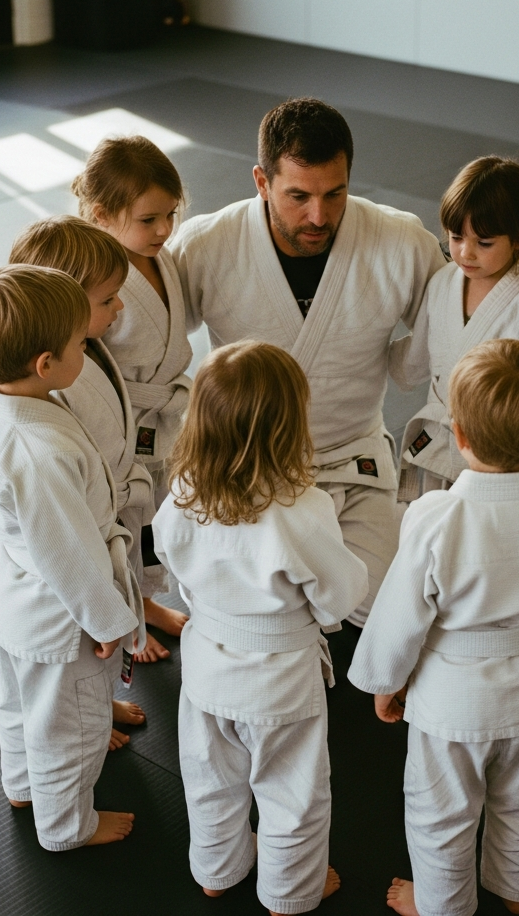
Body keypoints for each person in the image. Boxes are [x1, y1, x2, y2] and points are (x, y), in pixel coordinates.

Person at [348, 340, 519, 916]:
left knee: (442, 810)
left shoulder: (436, 516)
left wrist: (386, 681)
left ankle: (442, 905)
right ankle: (517, 893)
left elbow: (400, 615)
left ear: (458, 436)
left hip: (452, 700)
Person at [172, 98, 445, 625]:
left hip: (350, 457)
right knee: (245, 608)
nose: (319, 215)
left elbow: (460, 326)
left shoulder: (400, 242)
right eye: (298, 196)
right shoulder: (208, 244)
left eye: (335, 193)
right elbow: (149, 336)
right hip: (242, 464)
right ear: (261, 180)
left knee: (387, 607)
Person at [152, 341, 368, 914]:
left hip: (205, 672)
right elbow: (340, 596)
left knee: (210, 780)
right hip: (280, 682)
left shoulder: (180, 498)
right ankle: (290, 892)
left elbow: (171, 566)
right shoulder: (303, 510)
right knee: (292, 793)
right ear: (290, 425)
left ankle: (216, 871)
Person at [0, 265, 142, 850]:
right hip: (60, 618)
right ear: (45, 364)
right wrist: (106, 620)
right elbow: (69, 555)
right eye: (79, 344)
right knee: (72, 730)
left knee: (17, 703)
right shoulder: (38, 450)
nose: (86, 349)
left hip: (14, 594)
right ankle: (66, 827)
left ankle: (22, 785)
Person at [8, 216, 157, 745]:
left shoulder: (83, 350)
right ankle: (88, 719)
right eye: (108, 300)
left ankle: (100, 698)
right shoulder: (53, 382)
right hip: (80, 522)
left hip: (107, 500)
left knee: (103, 626)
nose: (120, 308)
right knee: (85, 646)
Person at [73, 136, 191, 661]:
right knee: (122, 519)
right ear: (102, 215)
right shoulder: (93, 272)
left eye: (170, 214)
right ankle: (124, 616)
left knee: (157, 511)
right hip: (119, 418)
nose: (164, 230)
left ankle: (146, 600)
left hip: (161, 413)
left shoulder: (158, 258)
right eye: (149, 220)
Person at [389, 156, 519, 500]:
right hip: (437, 443)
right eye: (455, 237)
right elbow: (415, 360)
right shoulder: (442, 282)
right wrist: (362, 345)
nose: (465, 253)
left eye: (484, 243)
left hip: (497, 455)